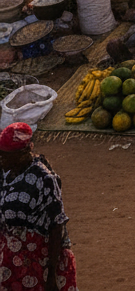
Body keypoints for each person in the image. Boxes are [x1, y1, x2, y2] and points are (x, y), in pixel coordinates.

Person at [0, 122, 79, 291]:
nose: (1, 159)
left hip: (36, 260)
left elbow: (57, 226)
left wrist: (51, 276)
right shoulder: (5, 173)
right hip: (9, 260)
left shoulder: (44, 179)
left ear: (22, 153)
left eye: (5, 155)